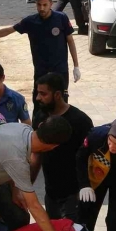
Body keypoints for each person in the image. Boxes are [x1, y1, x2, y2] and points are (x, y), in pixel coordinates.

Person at [0, 0, 81, 105]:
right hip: (41, 71)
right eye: (39, 5)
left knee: (60, 104)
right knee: (39, 104)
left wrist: (76, 66)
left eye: (45, 5)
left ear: (51, 4)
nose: (42, 8)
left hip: (59, 71)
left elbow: (70, 41)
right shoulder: (30, 22)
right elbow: (8, 30)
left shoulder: (61, 18)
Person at [30, 73, 93, 222]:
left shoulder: (81, 121)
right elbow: (36, 154)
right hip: (51, 194)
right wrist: (28, 184)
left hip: (73, 195)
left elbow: (91, 158)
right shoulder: (40, 116)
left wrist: (84, 187)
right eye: (37, 93)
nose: (38, 98)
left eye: (43, 94)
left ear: (57, 94)